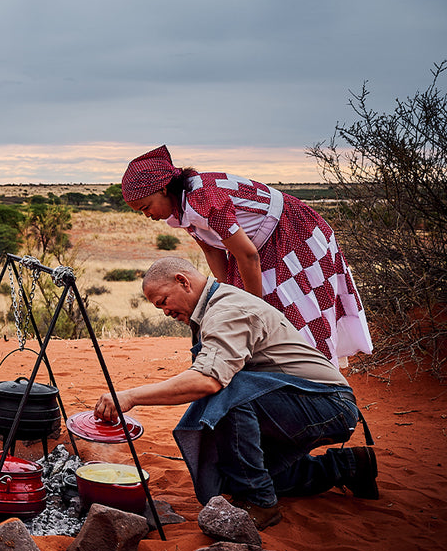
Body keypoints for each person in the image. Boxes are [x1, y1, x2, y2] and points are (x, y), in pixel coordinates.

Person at [95, 257, 378, 530]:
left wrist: (130, 396)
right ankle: (350, 465)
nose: (165, 312)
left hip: (327, 404)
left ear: (183, 281)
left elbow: (208, 381)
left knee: (227, 396)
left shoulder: (226, 310)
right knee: (254, 475)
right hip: (299, 402)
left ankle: (259, 502)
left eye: (163, 302)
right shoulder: (213, 309)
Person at [120, 144, 372, 366]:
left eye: (146, 207)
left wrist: (251, 310)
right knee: (256, 312)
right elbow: (212, 248)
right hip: (257, 245)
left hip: (292, 233)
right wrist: (229, 298)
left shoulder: (203, 198)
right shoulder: (180, 210)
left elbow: (249, 257)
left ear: (164, 189)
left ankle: (318, 383)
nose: (147, 215)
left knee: (297, 313)